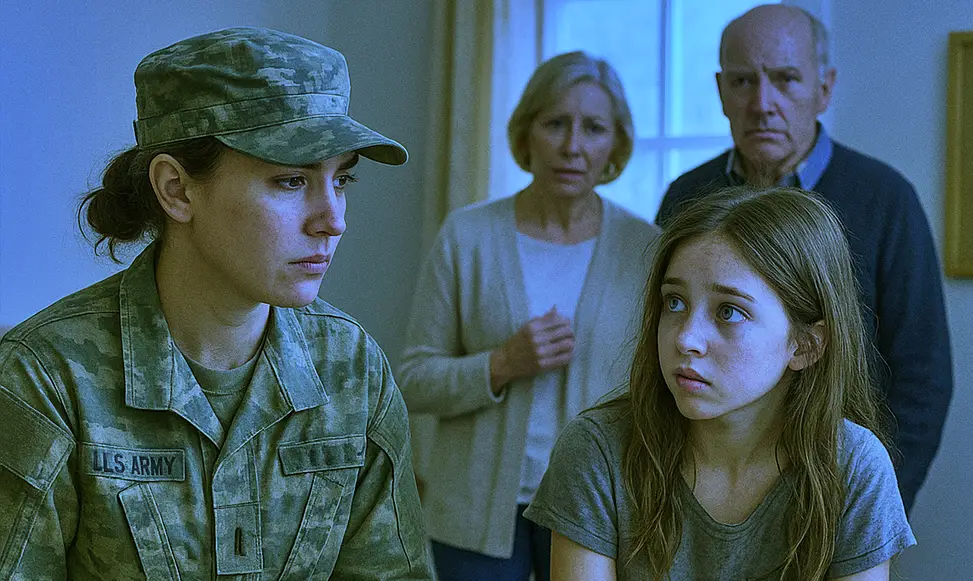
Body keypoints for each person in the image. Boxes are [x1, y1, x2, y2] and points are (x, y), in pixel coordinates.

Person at [0, 27, 433, 579]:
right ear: (176, 190)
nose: (333, 220)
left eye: (342, 179)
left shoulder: (352, 367)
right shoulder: (47, 377)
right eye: (291, 181)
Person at [526, 186, 915, 580]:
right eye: (674, 302)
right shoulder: (597, 452)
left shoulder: (853, 465)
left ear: (805, 345)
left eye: (729, 311)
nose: (685, 339)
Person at [655, 4, 952, 512]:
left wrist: (876, 507)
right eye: (743, 81)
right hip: (700, 492)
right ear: (721, 92)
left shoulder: (884, 199)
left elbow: (923, 375)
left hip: (835, 489)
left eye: (786, 79)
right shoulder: (688, 196)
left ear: (824, 88)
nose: (762, 103)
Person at [397, 51, 659, 581]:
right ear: (526, 132)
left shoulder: (646, 248)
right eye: (555, 123)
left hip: (601, 505)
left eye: (593, 128)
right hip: (474, 511)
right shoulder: (468, 236)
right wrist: (501, 364)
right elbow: (413, 381)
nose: (572, 146)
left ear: (616, 144)